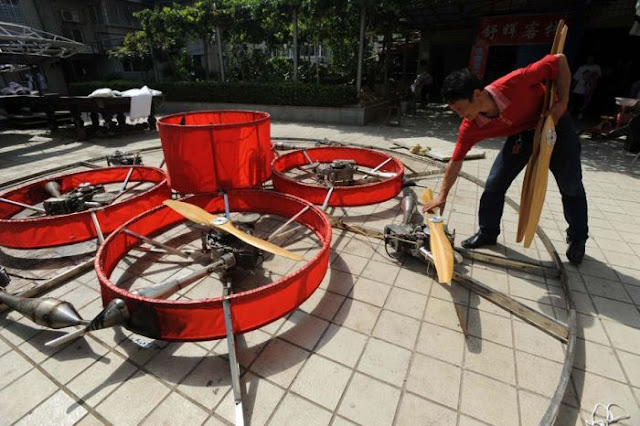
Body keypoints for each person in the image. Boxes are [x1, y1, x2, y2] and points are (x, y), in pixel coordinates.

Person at [422, 54, 589, 264]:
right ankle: (488, 233)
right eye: (455, 111)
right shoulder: (471, 126)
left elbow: (560, 60)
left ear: (477, 94)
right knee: (494, 183)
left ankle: (577, 239)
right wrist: (442, 196)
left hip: (554, 121)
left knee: (570, 184)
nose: (460, 115)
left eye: (460, 108)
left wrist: (563, 102)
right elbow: (455, 161)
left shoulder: (514, 82)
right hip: (524, 132)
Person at [571, 55, 601, 120]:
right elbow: (576, 79)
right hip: (579, 89)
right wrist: (572, 87)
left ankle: (581, 114)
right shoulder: (582, 68)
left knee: (585, 102)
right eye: (588, 58)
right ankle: (575, 115)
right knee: (576, 103)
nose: (589, 60)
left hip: (589, 89)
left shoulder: (596, 67)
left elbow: (598, 77)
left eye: (591, 58)